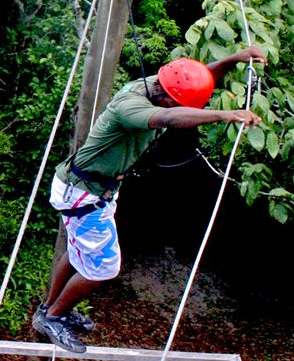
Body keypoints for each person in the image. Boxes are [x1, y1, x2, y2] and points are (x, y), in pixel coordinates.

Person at [32, 46, 267, 353]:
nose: (181, 106)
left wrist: (233, 59)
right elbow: (169, 117)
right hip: (84, 192)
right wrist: (225, 115)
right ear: (166, 95)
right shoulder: (130, 105)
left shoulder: (162, 84)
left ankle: (48, 310)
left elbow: (194, 79)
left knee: (81, 252)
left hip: (92, 188)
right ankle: (54, 317)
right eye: (179, 102)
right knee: (102, 268)